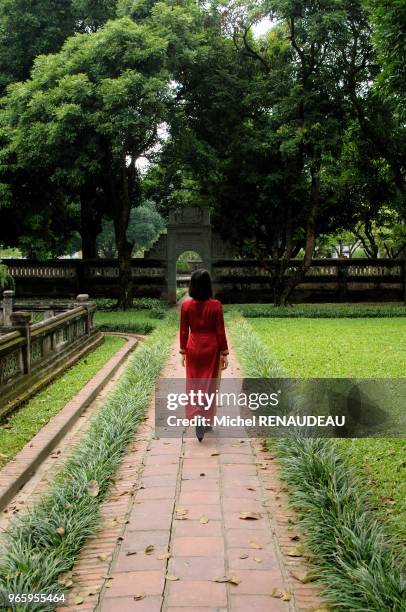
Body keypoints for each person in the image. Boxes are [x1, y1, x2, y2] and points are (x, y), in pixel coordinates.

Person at [179, 269, 229, 441]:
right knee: (209, 385)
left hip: (193, 347)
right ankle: (206, 421)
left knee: (193, 384)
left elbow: (184, 330)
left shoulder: (186, 306)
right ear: (209, 285)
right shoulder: (216, 305)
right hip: (211, 349)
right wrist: (225, 352)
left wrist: (182, 351)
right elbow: (220, 331)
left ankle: (197, 416)